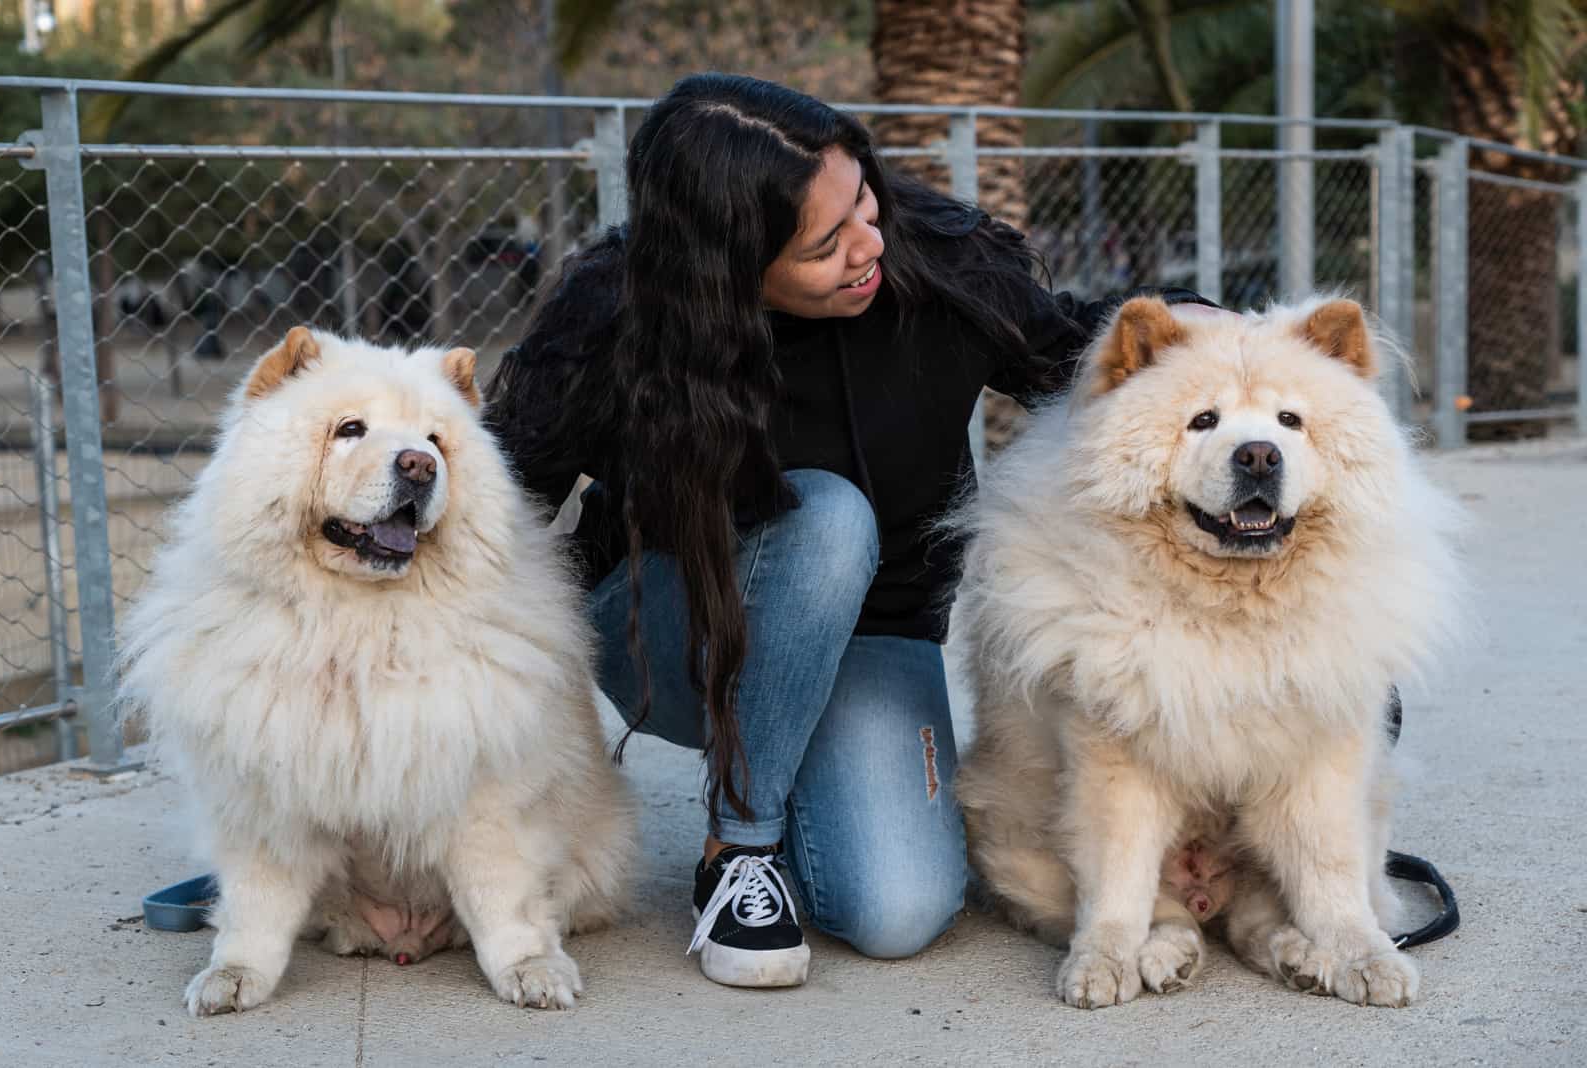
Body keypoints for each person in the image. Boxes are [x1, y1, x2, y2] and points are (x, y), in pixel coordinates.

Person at [485, 72, 1213, 989]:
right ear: (732, 270)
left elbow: (1079, 358)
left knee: (900, 911)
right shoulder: (617, 317)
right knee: (826, 516)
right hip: (681, 634)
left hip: (872, 631)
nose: (868, 244)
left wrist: (1206, 333)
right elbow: (497, 492)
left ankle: (791, 779)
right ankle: (738, 850)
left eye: (863, 200)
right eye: (826, 244)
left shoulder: (941, 264)